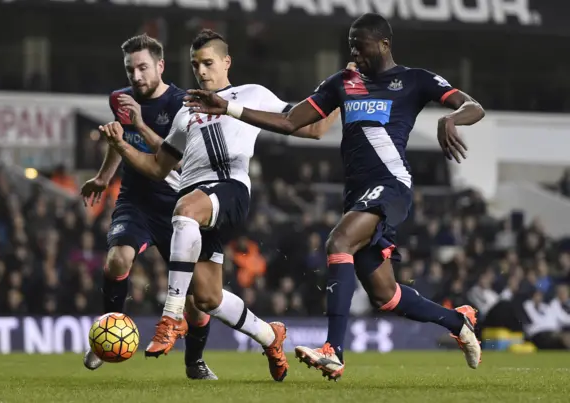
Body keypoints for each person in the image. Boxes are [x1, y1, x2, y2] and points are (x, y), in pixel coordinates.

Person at [184, 13, 486, 380]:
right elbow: (291, 122)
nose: (354, 52)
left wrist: (450, 119)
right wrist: (229, 107)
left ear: (385, 44)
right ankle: (459, 321)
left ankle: (334, 351)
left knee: (338, 241)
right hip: (357, 195)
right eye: (350, 46)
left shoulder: (414, 80)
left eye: (360, 45)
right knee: (385, 295)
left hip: (391, 185)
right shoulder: (342, 83)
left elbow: (473, 105)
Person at [98, 29, 339, 382]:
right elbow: (156, 167)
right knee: (208, 298)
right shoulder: (186, 113)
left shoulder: (251, 94)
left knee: (183, 211)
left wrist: (336, 97)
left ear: (227, 62)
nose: (202, 71)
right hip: (197, 206)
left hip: (229, 190)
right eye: (196, 65)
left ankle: (171, 317)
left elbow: (313, 129)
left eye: (208, 63)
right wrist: (121, 145)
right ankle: (271, 337)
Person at [80, 34, 217, 380]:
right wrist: (103, 177)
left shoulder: (182, 104)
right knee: (117, 259)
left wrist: (140, 122)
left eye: (142, 68)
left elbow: (177, 159)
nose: (136, 77)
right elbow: (119, 142)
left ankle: (195, 362)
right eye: (130, 70)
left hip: (179, 207)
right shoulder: (120, 99)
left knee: (198, 303)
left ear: (160, 66)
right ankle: (105, 337)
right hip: (136, 201)